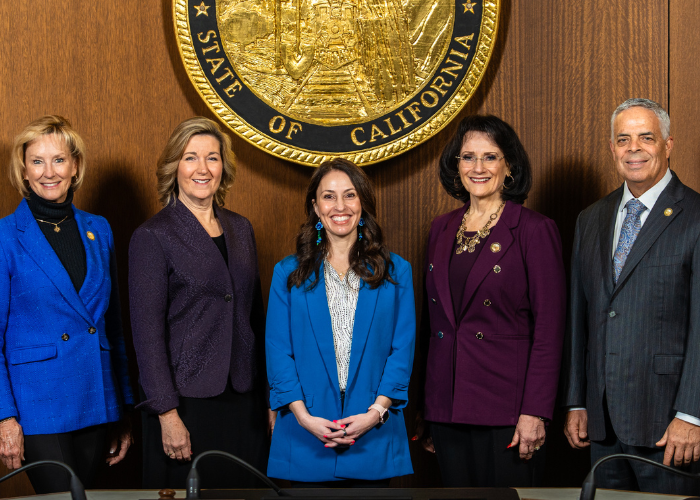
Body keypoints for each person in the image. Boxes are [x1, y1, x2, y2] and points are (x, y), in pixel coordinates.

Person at [417, 114, 566, 487]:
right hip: (447, 406)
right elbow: (431, 325)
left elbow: (550, 331)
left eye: (490, 157)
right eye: (467, 157)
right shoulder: (441, 228)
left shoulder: (534, 229)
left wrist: (535, 412)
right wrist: (427, 410)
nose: (477, 167)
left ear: (509, 165)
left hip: (507, 410)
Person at [562, 98, 700, 494]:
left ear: (668, 144)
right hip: (601, 425)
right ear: (612, 148)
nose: (633, 149)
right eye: (623, 139)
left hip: (668, 426)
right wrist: (577, 402)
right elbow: (579, 319)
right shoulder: (590, 219)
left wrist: (692, 415)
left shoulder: (695, 216)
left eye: (646, 138)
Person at [128, 117, 271, 488]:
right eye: (191, 158)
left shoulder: (241, 228)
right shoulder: (153, 236)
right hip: (185, 401)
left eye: (212, 157)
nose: (203, 169)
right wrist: (167, 413)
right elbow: (146, 335)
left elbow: (256, 317)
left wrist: (272, 397)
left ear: (224, 166)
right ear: (174, 166)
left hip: (243, 397)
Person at [0, 115, 134, 493]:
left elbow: (114, 326)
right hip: (37, 406)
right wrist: (4, 418)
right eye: (37, 161)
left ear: (75, 167)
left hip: (96, 396)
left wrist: (122, 408)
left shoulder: (99, 229)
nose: (48, 172)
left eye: (58, 160)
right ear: (23, 171)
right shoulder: (6, 236)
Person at [266, 158, 415, 485]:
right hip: (305, 439)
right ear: (315, 207)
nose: (340, 206)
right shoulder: (288, 274)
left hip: (373, 438)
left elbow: (401, 352)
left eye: (349, 195)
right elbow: (279, 353)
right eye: (328, 196)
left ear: (363, 203)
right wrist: (305, 419)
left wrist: (374, 415)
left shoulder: (396, 273)